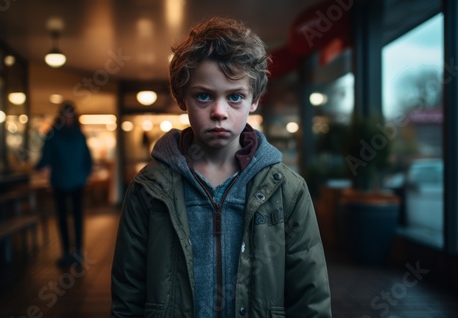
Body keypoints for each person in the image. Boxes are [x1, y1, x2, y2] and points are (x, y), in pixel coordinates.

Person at [111, 17, 332, 317]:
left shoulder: (287, 191)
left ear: (254, 100)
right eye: (203, 96)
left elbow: (309, 296)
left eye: (235, 97)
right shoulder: (149, 189)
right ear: (182, 98)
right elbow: (128, 295)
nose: (219, 112)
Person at [36, 101, 93, 267]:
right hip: (60, 181)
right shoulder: (53, 134)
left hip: (76, 182)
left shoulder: (77, 134)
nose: (68, 118)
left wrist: (85, 173)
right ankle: (66, 253)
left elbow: (87, 158)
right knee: (62, 219)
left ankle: (78, 252)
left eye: (70, 115)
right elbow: (46, 156)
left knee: (77, 218)